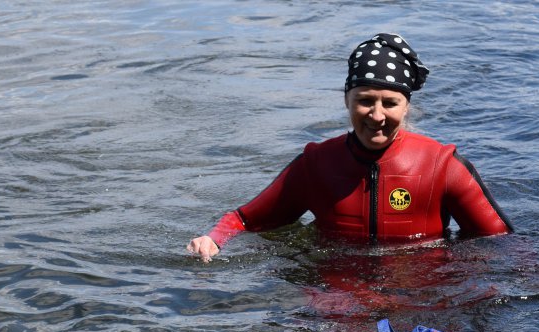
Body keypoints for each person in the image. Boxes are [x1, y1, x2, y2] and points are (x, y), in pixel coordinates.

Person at [187, 33, 513, 262]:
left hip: (421, 296)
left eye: (390, 103)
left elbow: (501, 243)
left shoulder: (442, 166)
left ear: (406, 107)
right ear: (347, 100)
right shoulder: (315, 165)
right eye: (365, 101)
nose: (377, 115)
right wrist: (213, 239)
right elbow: (245, 219)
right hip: (336, 298)